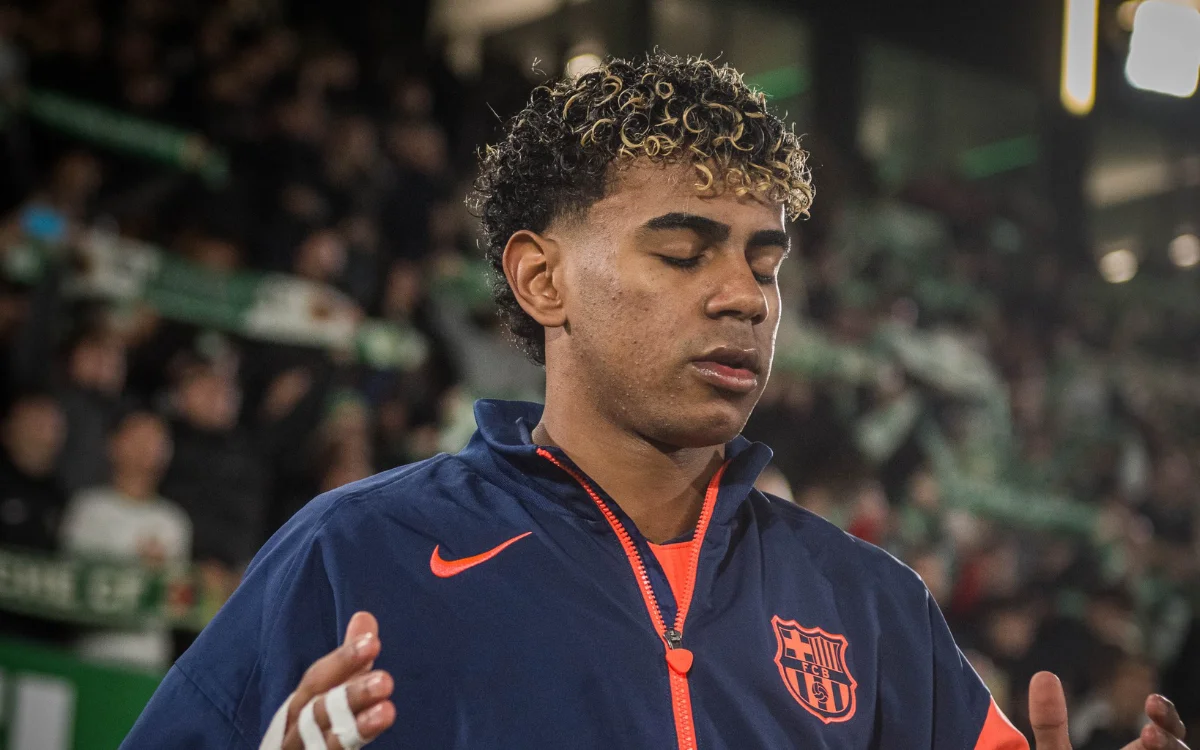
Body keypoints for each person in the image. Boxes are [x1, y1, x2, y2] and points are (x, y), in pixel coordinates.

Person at [122, 54, 1188, 750]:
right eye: (682, 252)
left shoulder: (870, 604)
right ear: (543, 280)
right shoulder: (357, 553)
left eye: (765, 264)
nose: (742, 296)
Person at [59, 410, 191, 671]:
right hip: (90, 651)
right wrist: (134, 568)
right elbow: (69, 579)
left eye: (155, 440)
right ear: (113, 444)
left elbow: (179, 598)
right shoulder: (88, 509)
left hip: (148, 657)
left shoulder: (173, 521)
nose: (146, 447)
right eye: (137, 437)